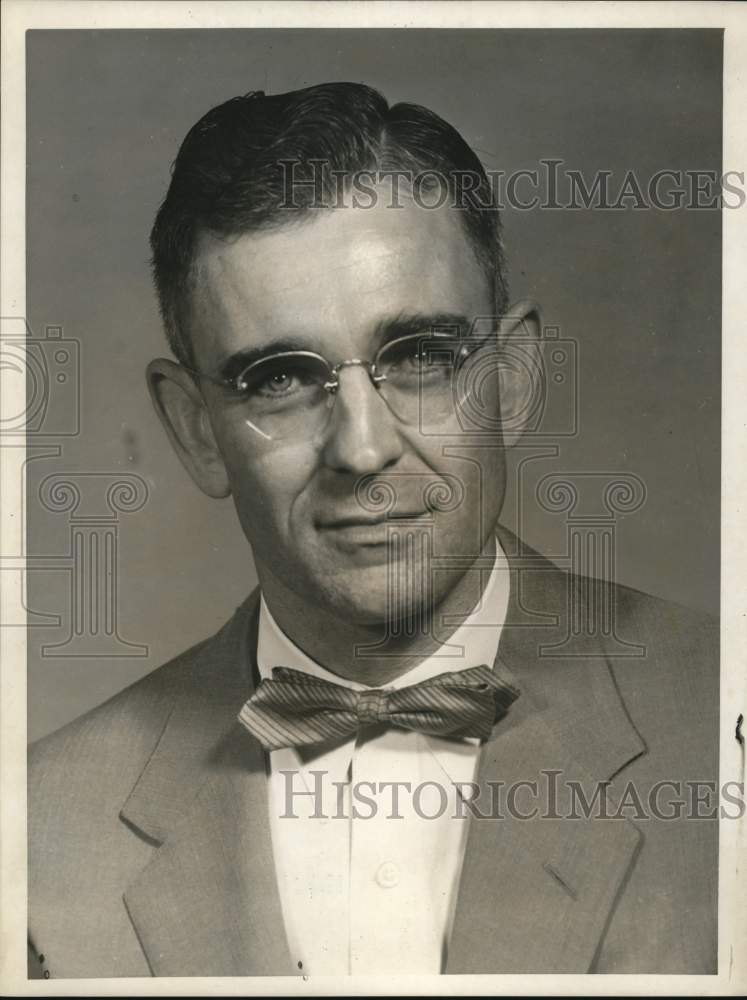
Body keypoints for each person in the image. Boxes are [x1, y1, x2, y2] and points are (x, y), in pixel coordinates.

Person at [27, 82, 718, 978]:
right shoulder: (33, 829)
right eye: (278, 378)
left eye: (421, 358)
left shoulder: (718, 718)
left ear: (510, 379)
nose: (361, 447)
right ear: (197, 430)